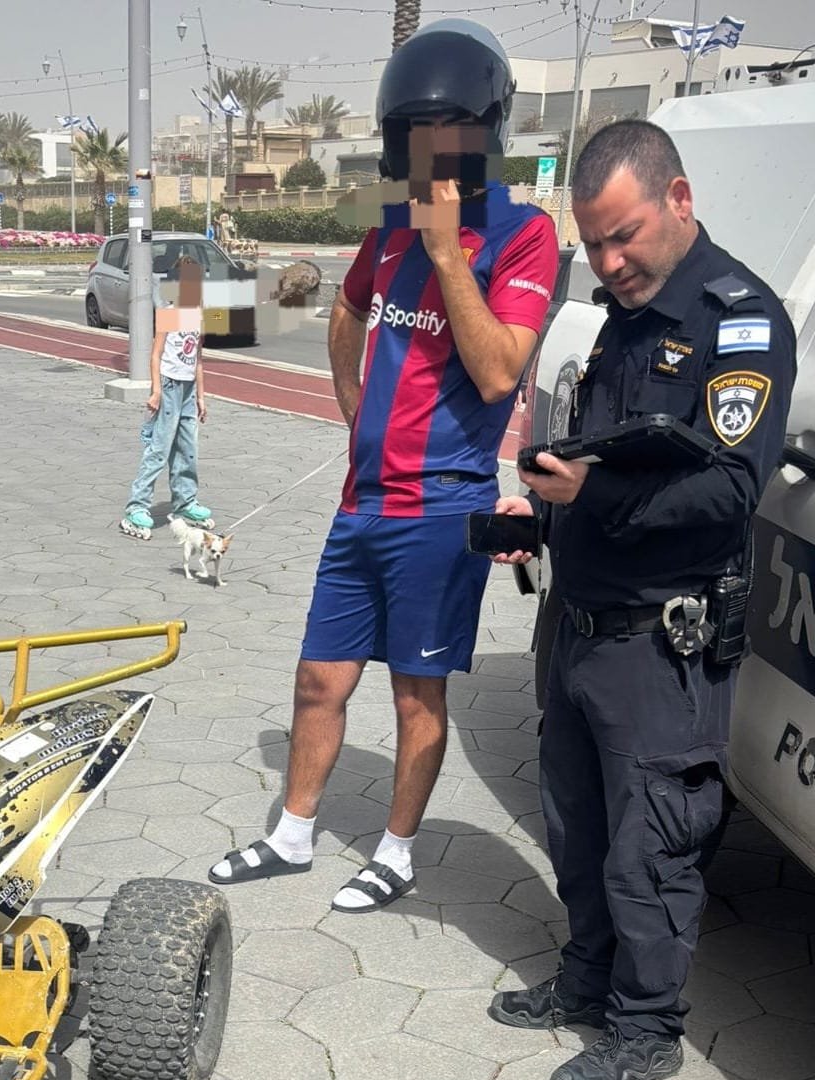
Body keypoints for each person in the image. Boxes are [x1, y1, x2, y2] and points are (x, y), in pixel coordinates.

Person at [207, 20, 558, 911]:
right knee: (318, 678)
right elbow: (347, 309)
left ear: (485, 132)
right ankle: (291, 833)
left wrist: (445, 252)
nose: (431, 152)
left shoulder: (523, 234)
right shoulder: (392, 223)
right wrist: (354, 406)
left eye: (447, 133)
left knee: (415, 694)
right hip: (362, 501)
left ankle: (396, 853)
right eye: (415, 136)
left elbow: (498, 371)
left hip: (441, 509)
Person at [489, 119, 795, 1080]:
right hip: (581, 623)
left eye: (622, 236)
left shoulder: (736, 320)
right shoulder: (620, 319)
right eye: (592, 243)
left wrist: (593, 496)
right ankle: (583, 983)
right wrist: (540, 510)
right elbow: (599, 460)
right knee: (576, 829)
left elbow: (729, 487)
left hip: (663, 642)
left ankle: (645, 1028)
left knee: (649, 845)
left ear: (678, 199)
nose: (608, 261)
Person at [120, 254, 214, 540]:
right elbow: (156, 354)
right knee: (159, 449)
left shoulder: (197, 316)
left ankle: (185, 502)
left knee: (188, 449)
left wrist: (201, 396)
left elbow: (198, 359)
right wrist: (156, 390)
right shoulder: (169, 314)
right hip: (170, 386)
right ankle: (136, 507)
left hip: (188, 390)